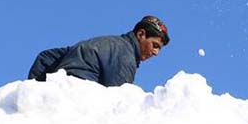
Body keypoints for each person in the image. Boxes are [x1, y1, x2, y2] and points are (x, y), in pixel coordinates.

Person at [27, 15, 170, 87]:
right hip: (78, 107)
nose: (155, 53)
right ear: (141, 34)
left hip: (57, 95)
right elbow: (118, 102)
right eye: (155, 45)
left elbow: (45, 57)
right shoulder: (125, 55)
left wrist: (34, 91)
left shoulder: (106, 43)